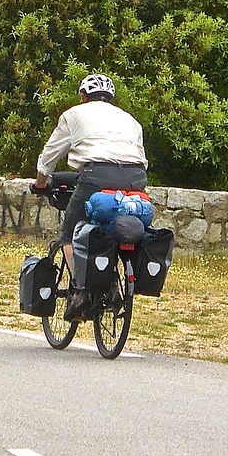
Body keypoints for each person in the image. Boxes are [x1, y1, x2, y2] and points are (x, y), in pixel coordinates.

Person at [32, 73, 148, 318]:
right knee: (116, 232)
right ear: (111, 98)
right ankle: (115, 284)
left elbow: (50, 155)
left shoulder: (73, 114)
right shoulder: (131, 120)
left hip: (96, 174)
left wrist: (41, 182)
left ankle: (81, 293)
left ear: (83, 96)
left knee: (68, 236)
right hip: (136, 178)